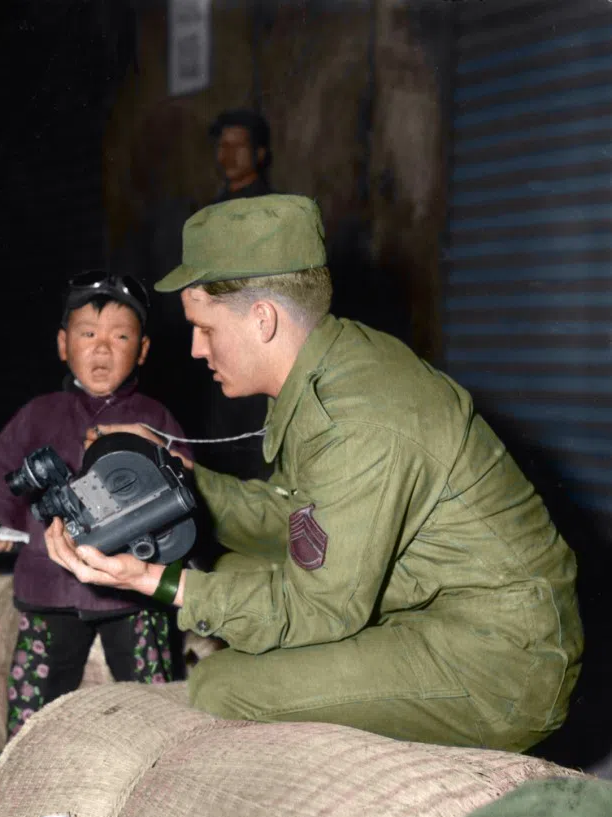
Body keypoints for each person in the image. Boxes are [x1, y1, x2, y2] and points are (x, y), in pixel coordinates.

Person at [43, 196, 584, 754]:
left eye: (204, 327)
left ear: (263, 319)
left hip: (500, 660)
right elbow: (296, 517)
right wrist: (181, 477)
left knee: (222, 685)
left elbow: (319, 609)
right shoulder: (335, 358)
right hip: (435, 601)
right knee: (230, 568)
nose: (196, 349)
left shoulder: (358, 421)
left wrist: (152, 581)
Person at [0, 272, 191, 739]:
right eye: (88, 334)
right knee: (33, 703)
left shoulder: (157, 420)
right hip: (51, 584)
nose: (103, 349)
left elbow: (187, 493)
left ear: (143, 349)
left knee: (154, 695)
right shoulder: (38, 414)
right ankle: (25, 767)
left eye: (120, 336)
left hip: (132, 584)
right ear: (63, 344)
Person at [203, 108, 275, 479]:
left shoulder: (270, 211)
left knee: (255, 452)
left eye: (239, 146)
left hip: (257, 346)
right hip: (215, 348)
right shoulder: (210, 213)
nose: (228, 154)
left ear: (260, 154)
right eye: (222, 145)